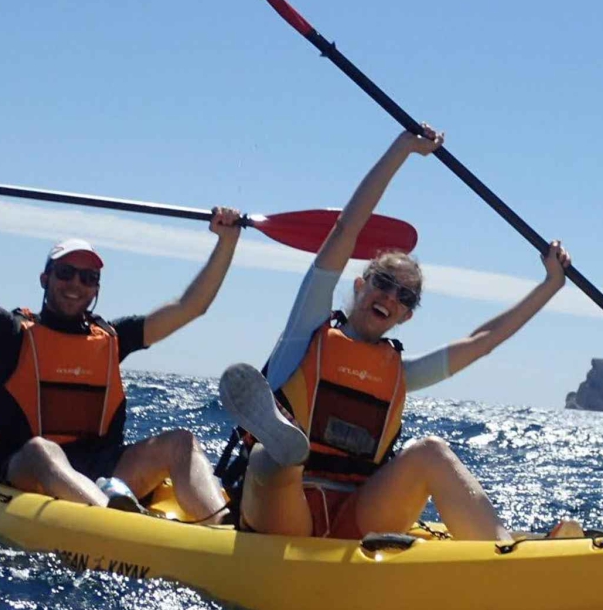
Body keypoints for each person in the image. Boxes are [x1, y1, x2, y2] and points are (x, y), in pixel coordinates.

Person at [220, 126, 579, 544]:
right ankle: (283, 444)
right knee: (272, 462)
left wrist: (551, 285)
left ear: (406, 316)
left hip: (355, 518)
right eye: (384, 282)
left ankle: (502, 550)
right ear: (360, 285)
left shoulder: (401, 375)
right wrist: (403, 148)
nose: (390, 296)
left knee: (430, 452)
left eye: (404, 295)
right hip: (284, 513)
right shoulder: (307, 333)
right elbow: (344, 231)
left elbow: (483, 342)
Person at [0, 166, 241, 523]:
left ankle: (221, 527)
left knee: (181, 442)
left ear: (96, 288)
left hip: (104, 470)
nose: (76, 283)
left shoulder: (113, 338)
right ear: (45, 279)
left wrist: (226, 242)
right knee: (45, 451)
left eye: (88, 277)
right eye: (65, 272)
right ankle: (115, 518)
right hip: (29, 470)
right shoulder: (10, 332)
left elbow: (190, 307)